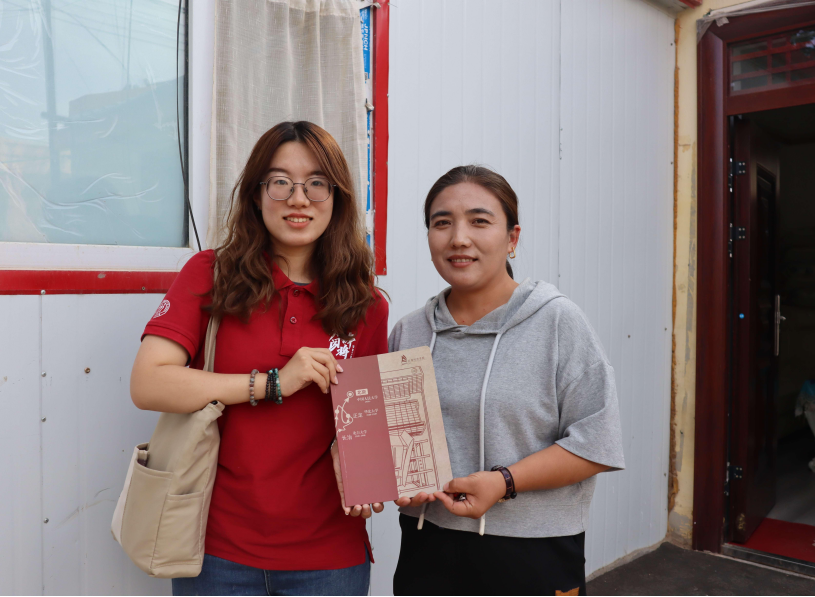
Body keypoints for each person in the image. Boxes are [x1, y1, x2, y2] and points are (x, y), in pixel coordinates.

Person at [130, 121, 387, 596]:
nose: (298, 198)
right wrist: (271, 383)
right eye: (280, 182)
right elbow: (149, 383)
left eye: (316, 183)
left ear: (338, 197)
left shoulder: (366, 304)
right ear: (255, 194)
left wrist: (364, 465)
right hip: (215, 550)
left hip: (330, 556)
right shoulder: (211, 275)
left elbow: (366, 424)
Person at [389, 166, 625, 596]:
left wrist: (504, 481)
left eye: (479, 221)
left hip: (534, 550)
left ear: (512, 238)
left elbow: (598, 444)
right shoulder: (410, 332)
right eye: (442, 223)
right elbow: (393, 441)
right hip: (427, 545)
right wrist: (392, 478)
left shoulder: (557, 322)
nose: (459, 238)